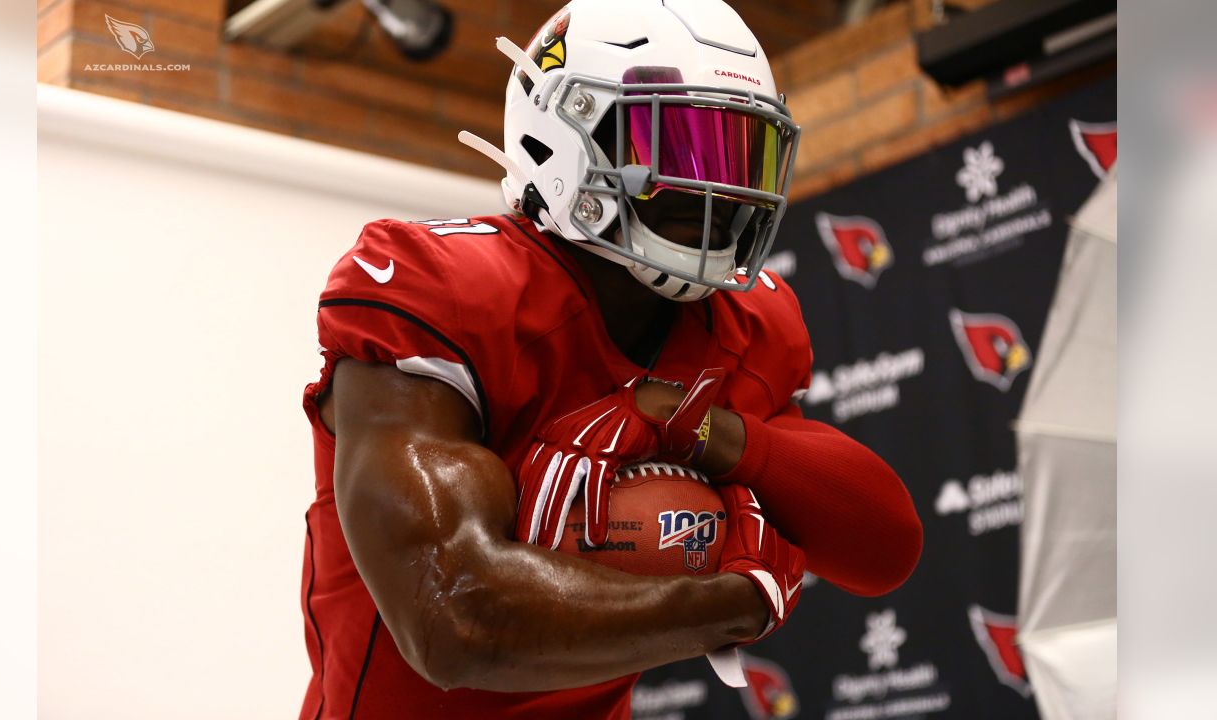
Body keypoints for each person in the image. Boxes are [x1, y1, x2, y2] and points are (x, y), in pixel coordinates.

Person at [298, 1, 923, 718]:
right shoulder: (443, 288)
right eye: (680, 147)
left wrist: (724, 439)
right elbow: (454, 617)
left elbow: (885, 549)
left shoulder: (746, 324)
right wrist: (728, 603)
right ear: (564, 139)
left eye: (740, 153)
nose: (717, 187)